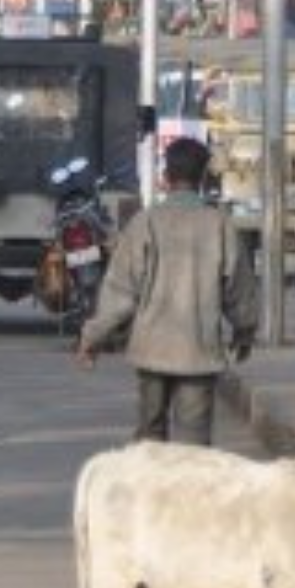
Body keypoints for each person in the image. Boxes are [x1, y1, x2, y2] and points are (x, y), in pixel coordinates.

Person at [76, 138, 258, 445]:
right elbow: (239, 290)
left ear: (165, 176)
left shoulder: (144, 223)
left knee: (149, 440)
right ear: (203, 178)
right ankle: (188, 494)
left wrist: (92, 338)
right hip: (197, 353)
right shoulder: (220, 225)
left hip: (152, 351)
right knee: (194, 446)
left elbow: (120, 292)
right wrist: (244, 332)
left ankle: (151, 491)